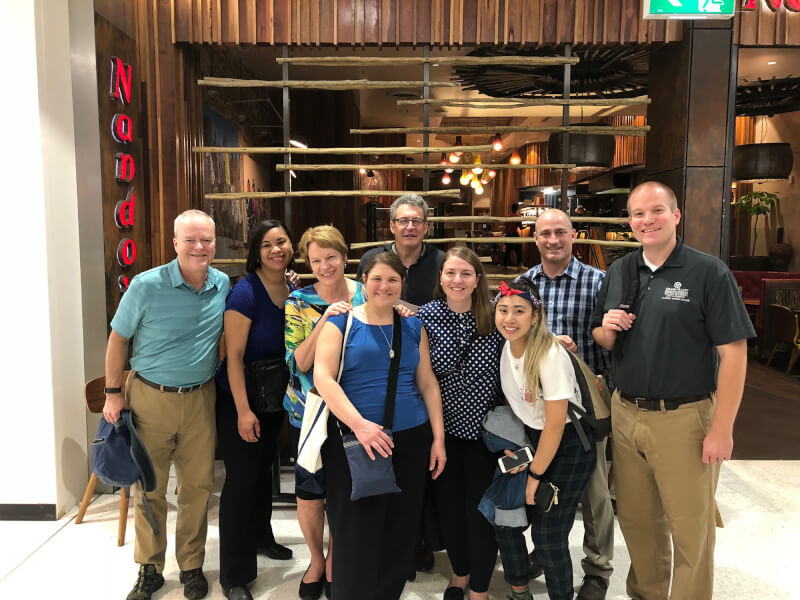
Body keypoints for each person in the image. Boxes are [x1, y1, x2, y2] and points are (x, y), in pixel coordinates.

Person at [591, 181, 754, 600]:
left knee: (689, 530)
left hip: (684, 419)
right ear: (629, 222)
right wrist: (606, 330)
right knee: (638, 522)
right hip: (626, 414)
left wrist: (723, 428)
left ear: (676, 216)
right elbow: (602, 335)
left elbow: (734, 354)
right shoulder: (620, 271)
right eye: (638, 214)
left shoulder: (707, 272)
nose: (647, 220)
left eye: (657, 211)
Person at [103, 209, 231, 600]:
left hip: (199, 398)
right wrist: (112, 392)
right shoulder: (145, 285)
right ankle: (150, 567)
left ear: (214, 244)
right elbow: (118, 340)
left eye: (206, 240)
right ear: (174, 243)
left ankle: (191, 564)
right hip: (149, 398)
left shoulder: (221, 283)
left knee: (197, 487)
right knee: (150, 487)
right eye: (190, 239)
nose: (199, 246)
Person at [314, 251, 447, 600]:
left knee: (399, 531)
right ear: (363, 281)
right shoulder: (340, 322)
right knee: (354, 532)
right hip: (354, 440)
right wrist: (360, 426)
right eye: (376, 279)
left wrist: (438, 438)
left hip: (410, 438)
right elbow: (324, 378)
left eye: (392, 279)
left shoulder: (412, 325)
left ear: (402, 283)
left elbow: (427, 382)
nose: (384, 286)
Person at [518, 208, 614, 600]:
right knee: (543, 480)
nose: (553, 240)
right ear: (535, 238)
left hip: (586, 403)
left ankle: (598, 568)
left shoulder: (598, 282)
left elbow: (612, 340)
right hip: (538, 402)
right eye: (545, 233)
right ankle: (546, 549)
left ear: (574, 236)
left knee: (593, 490)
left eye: (561, 232)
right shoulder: (523, 284)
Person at [494, 277, 596, 600]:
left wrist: (535, 476)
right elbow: (520, 409)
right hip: (531, 440)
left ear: (535, 315)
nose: (510, 319)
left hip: (568, 444)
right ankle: (519, 589)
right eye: (504, 310)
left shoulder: (550, 355)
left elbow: (554, 425)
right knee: (503, 513)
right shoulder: (506, 347)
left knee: (548, 535)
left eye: (519, 311)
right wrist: (516, 457)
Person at [285, 225, 367, 600]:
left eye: (330, 257)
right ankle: (316, 560)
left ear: (344, 255)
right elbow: (299, 362)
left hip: (355, 411)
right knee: (310, 491)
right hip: (310, 414)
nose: (324, 266)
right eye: (315, 260)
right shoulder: (298, 301)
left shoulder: (366, 292)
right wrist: (325, 320)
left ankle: (336, 559)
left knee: (345, 491)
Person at [416, 247, 503, 600]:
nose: (457, 280)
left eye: (466, 273)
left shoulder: (495, 315)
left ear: (477, 279)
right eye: (451, 272)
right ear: (440, 277)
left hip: (488, 432)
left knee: (482, 510)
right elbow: (423, 375)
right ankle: (460, 572)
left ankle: (480, 585)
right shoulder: (426, 316)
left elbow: (527, 342)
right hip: (444, 430)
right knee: (449, 506)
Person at [215, 220, 295, 600]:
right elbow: (233, 358)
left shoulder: (293, 287)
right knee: (241, 484)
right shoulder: (245, 293)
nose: (276, 249)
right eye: (267, 245)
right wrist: (244, 411)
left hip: (273, 398)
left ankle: (263, 537)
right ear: (255, 252)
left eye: (281, 241)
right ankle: (234, 575)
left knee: (265, 473)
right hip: (241, 400)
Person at [356, 194, 445, 308]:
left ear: (425, 227)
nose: (410, 227)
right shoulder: (370, 260)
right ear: (392, 226)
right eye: (403, 221)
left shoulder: (442, 263)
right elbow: (359, 303)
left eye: (416, 221)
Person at [503, 202, 522, 268]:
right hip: (514, 235)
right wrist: (526, 226)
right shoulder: (518, 217)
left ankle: (505, 265)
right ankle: (519, 265)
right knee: (518, 250)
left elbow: (505, 227)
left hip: (508, 235)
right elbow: (521, 228)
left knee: (507, 251)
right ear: (517, 209)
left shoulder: (508, 217)